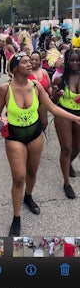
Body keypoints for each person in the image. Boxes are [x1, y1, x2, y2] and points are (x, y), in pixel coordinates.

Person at [0, 51, 80, 237]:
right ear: (15, 68)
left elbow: (53, 108)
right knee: (18, 177)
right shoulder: (4, 89)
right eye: (24, 62)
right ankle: (16, 218)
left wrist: (76, 118)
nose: (29, 64)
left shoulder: (36, 86)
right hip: (15, 136)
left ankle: (28, 197)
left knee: (32, 172)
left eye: (29, 61)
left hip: (35, 134)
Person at [52, 48, 80, 199]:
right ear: (67, 62)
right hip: (63, 114)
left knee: (77, 147)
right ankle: (66, 183)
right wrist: (56, 95)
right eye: (72, 60)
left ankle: (68, 163)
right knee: (66, 148)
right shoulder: (60, 79)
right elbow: (51, 102)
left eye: (77, 60)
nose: (75, 63)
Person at [28, 50, 52, 131]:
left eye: (36, 60)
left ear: (40, 61)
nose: (34, 62)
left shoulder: (44, 72)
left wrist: (50, 94)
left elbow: (49, 86)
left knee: (44, 122)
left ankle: (39, 136)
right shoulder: (26, 72)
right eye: (32, 59)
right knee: (31, 123)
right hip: (30, 102)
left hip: (43, 102)